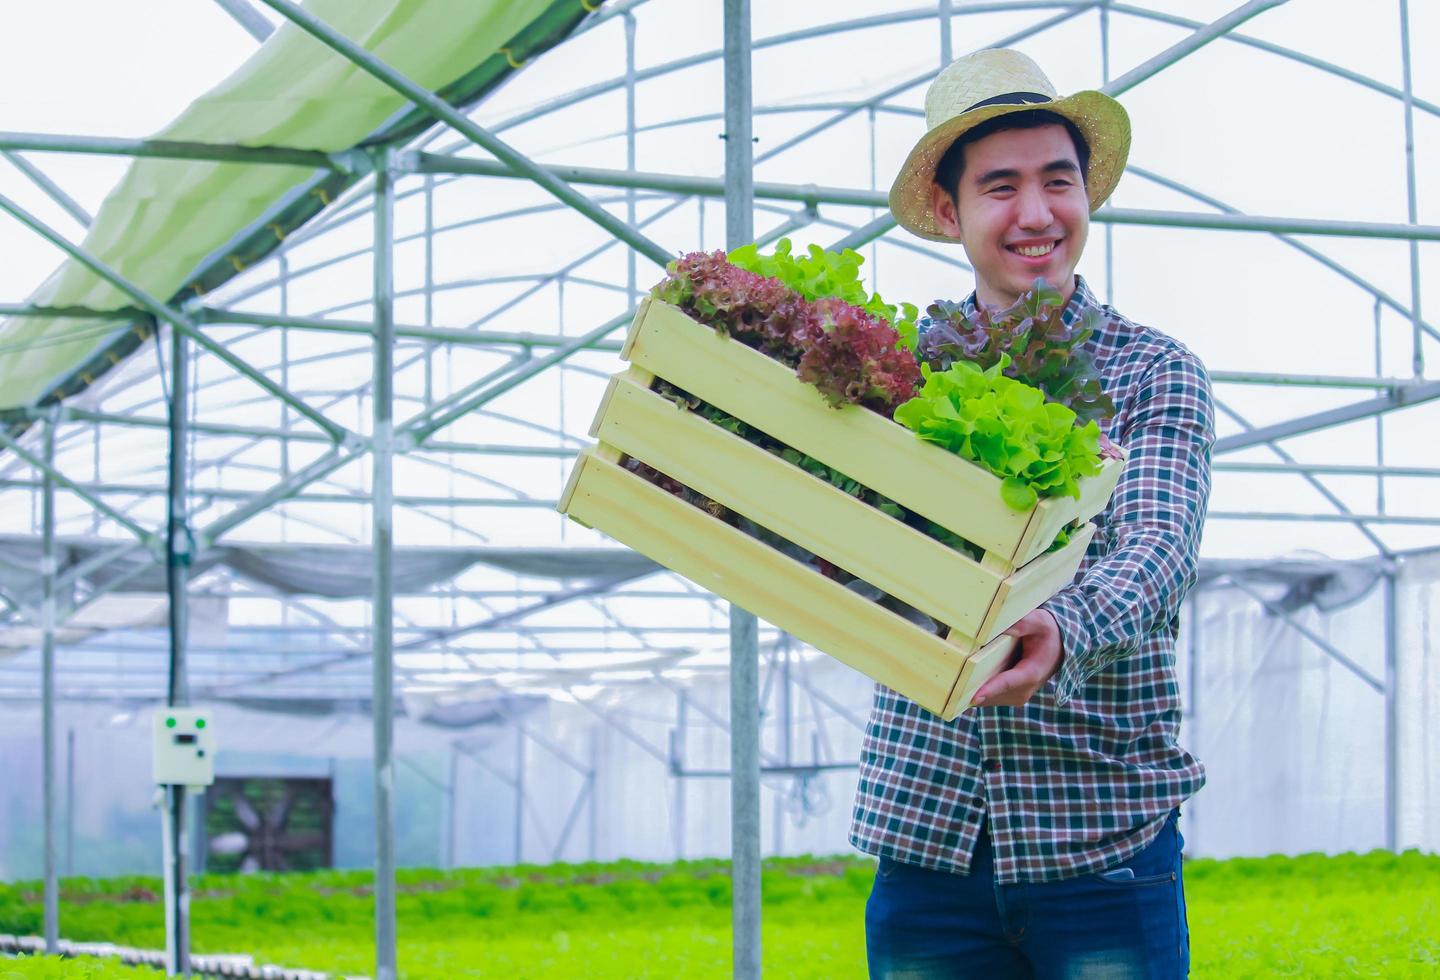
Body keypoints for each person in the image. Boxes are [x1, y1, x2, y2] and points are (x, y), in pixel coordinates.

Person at [851, 48, 1213, 978]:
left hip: (1100, 839)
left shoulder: (1152, 369)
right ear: (948, 210)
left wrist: (1062, 622)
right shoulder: (898, 375)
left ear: (1087, 195)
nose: (1036, 214)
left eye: (1058, 181)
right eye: (999, 187)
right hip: (928, 832)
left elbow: (1158, 543)